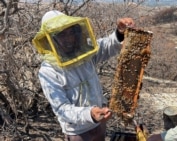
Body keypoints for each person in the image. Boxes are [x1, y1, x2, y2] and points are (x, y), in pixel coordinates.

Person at [32, 10, 135, 141]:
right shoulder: (48, 71)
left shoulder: (84, 53)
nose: (69, 38)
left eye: (70, 33)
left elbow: (105, 46)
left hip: (100, 122)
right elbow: (61, 108)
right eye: (62, 35)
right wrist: (89, 114)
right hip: (78, 132)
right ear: (50, 39)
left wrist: (120, 33)